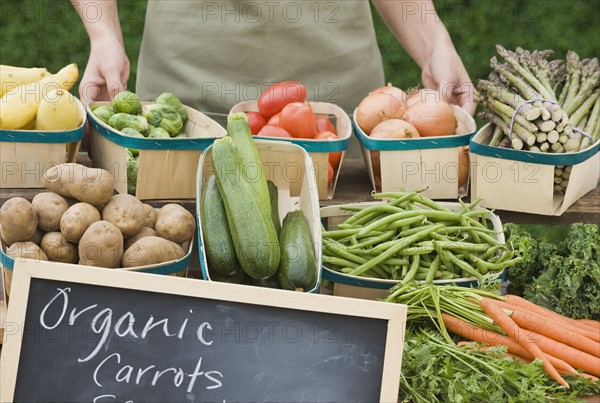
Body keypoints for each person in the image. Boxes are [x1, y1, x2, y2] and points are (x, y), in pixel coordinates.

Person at [72, 0, 475, 117]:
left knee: (339, 264)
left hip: (333, 109)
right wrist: (103, 34)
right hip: (188, 95)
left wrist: (434, 45)